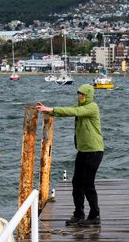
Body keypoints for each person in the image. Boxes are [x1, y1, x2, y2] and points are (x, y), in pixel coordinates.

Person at [36, 83, 104, 227]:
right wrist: (49, 111)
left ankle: (95, 215)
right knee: (76, 183)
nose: (79, 96)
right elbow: (69, 110)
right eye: (78, 94)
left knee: (88, 184)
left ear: (88, 95)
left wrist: (51, 109)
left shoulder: (92, 107)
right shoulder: (80, 106)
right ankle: (79, 214)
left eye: (82, 94)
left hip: (94, 151)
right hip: (83, 150)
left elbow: (74, 112)